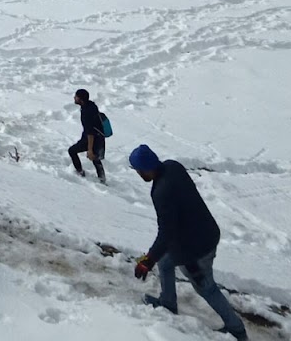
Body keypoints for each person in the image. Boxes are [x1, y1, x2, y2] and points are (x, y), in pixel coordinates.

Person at [129, 145, 247, 340]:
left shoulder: (161, 192)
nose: (138, 174)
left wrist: (147, 261)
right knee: (165, 261)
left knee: (206, 288)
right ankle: (168, 304)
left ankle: (237, 330)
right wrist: (154, 257)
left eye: (139, 170)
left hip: (197, 247)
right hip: (202, 231)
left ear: (146, 169)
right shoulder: (172, 166)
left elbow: (166, 233)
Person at [68, 88, 106, 182]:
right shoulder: (91, 105)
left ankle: (80, 172)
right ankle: (102, 179)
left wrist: (89, 149)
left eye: (76, 97)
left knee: (72, 151)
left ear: (81, 100)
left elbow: (90, 133)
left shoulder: (86, 112)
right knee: (96, 159)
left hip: (92, 139)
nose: (74, 98)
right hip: (99, 137)